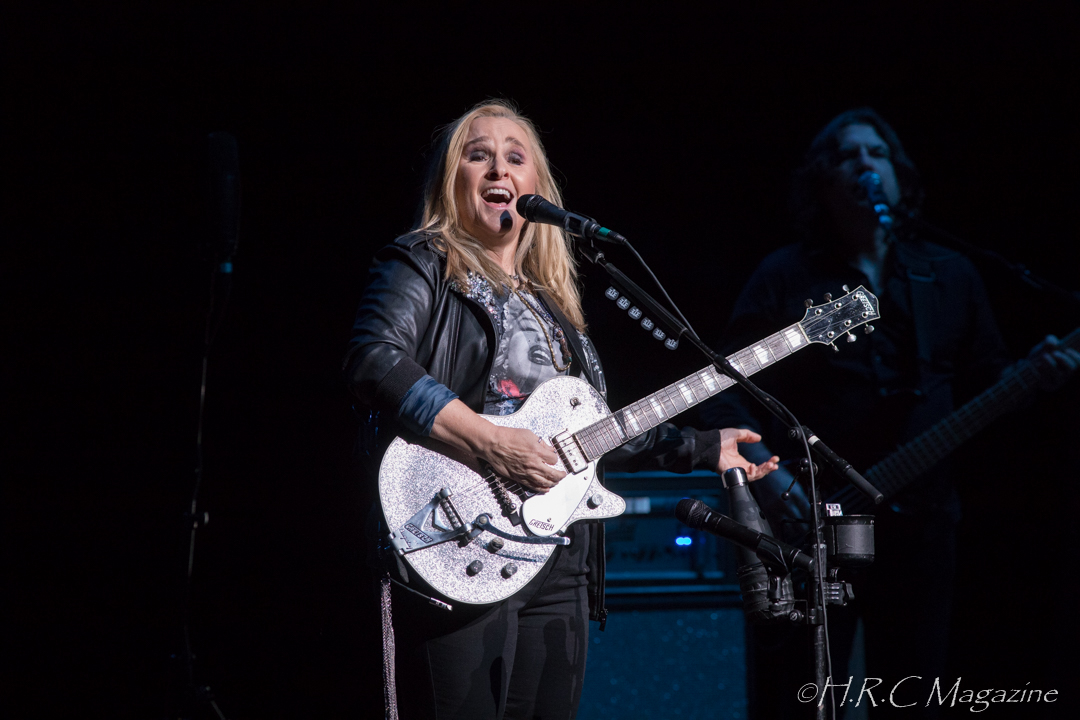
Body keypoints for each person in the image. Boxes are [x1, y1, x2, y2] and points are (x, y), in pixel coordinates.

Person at [344, 100, 779, 720]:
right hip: (455, 534)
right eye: (478, 155)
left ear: (538, 189)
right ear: (451, 178)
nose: (499, 168)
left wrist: (703, 447)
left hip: (558, 556)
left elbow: (588, 436)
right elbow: (374, 359)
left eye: (515, 157)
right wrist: (490, 442)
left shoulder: (554, 307)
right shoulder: (421, 261)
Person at [700, 108, 1079, 718]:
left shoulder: (947, 273)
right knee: (800, 693)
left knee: (912, 692)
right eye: (848, 156)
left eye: (877, 154)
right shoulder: (788, 276)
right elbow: (723, 387)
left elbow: (989, 382)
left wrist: (1038, 375)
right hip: (814, 520)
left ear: (899, 176)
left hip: (922, 526)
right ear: (823, 182)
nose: (865, 165)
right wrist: (772, 477)